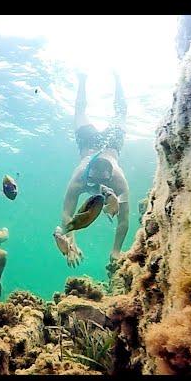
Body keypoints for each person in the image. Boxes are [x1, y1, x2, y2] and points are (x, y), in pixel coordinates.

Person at [59, 72, 130, 266]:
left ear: (109, 178)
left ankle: (117, 78)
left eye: (102, 182)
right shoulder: (79, 177)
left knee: (120, 114)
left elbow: (123, 220)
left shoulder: (118, 181)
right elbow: (67, 213)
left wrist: (116, 250)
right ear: (88, 172)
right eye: (94, 180)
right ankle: (82, 80)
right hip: (89, 145)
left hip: (111, 146)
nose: (98, 184)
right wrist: (71, 241)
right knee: (80, 114)